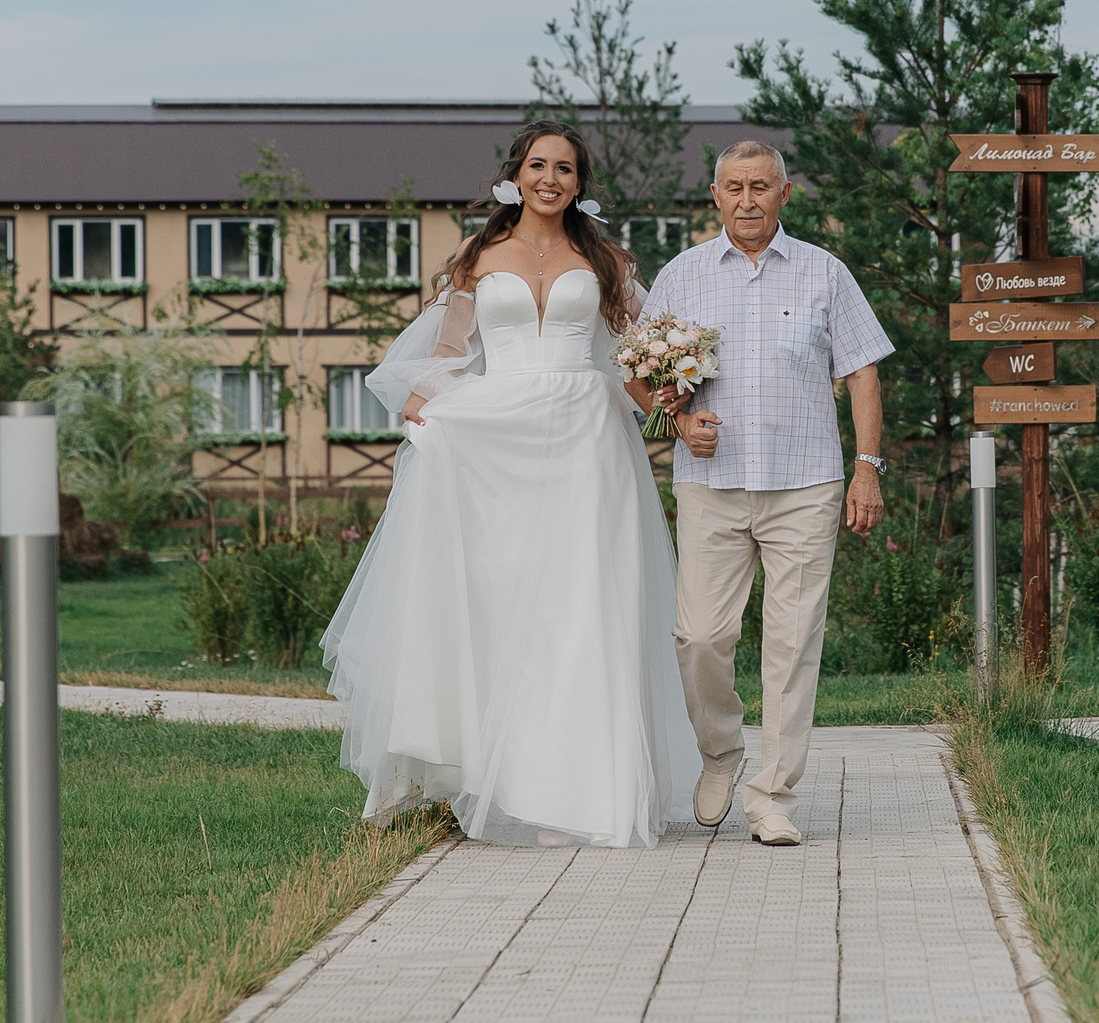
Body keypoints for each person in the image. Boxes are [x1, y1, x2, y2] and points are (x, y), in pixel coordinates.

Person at [319, 125, 699, 848]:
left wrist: (675, 407)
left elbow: (635, 361)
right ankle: (505, 776)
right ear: (515, 176)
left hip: (587, 440)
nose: (550, 178)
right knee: (502, 604)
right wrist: (425, 408)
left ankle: (591, 791)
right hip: (498, 438)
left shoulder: (604, 259)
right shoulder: (477, 256)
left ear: (579, 182)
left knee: (585, 603)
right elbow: (450, 352)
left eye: (564, 168)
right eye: (538, 165)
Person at [641, 140, 893, 846]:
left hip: (807, 482)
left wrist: (868, 465)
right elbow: (646, 374)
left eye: (761, 186)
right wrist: (677, 420)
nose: (747, 199)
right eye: (734, 186)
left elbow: (864, 373)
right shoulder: (683, 275)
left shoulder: (825, 272)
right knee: (698, 637)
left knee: (791, 641)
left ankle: (772, 794)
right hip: (711, 484)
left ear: (786, 194)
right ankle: (721, 753)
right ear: (715, 196)